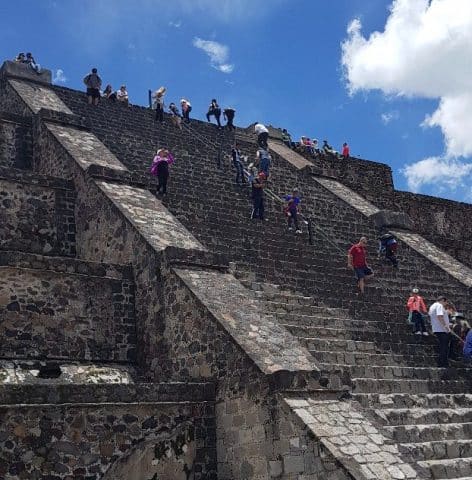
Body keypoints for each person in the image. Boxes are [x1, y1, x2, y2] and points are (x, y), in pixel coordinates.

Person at [428, 296, 451, 368]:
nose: (446, 304)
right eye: (446, 302)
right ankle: (443, 363)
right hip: (442, 330)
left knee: (442, 346)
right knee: (444, 347)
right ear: (442, 300)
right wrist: (446, 326)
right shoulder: (439, 305)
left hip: (436, 329)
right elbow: (439, 316)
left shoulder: (432, 306)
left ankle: (442, 362)